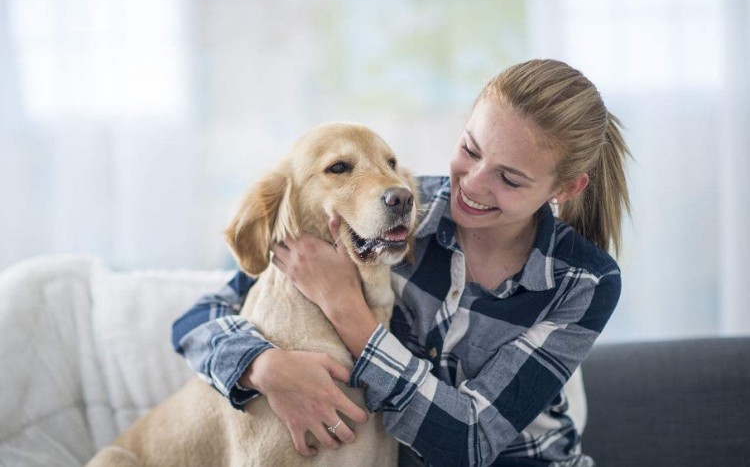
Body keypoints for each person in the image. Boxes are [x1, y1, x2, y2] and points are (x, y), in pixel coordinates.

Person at [172, 59, 631, 466]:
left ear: (565, 189)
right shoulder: (393, 208)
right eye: (470, 150)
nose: (471, 185)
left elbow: (469, 442)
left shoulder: (585, 281)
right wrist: (262, 367)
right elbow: (197, 319)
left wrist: (344, 306)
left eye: (508, 179)